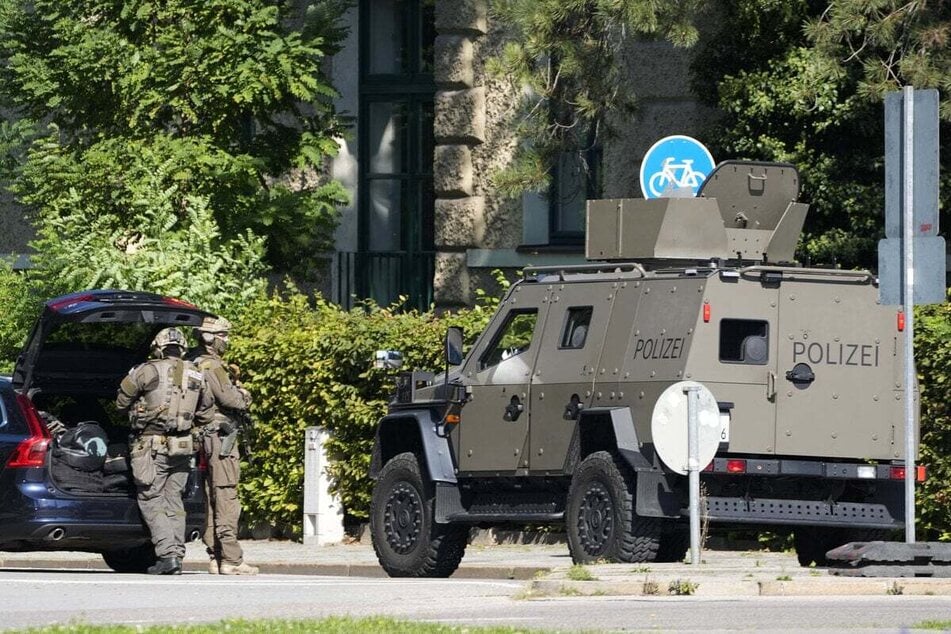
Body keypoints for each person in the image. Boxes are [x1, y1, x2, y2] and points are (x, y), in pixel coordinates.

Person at [116, 327, 213, 575]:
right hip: (183, 447)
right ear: (181, 348)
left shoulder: (147, 370)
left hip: (151, 447)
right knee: (174, 500)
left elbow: (121, 401)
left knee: (152, 499)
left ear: (158, 347)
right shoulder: (196, 373)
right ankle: (177, 556)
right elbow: (205, 412)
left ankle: (167, 555)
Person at [188, 316, 258, 576]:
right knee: (226, 494)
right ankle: (231, 559)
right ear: (210, 338)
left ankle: (214, 557)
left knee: (208, 495)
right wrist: (244, 395)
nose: (227, 340)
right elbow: (231, 399)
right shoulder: (213, 366)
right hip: (220, 437)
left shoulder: (190, 361)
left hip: (199, 437)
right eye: (223, 335)